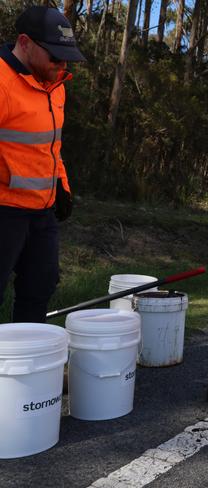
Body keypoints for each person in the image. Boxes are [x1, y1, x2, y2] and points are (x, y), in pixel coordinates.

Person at [0, 6, 86, 323]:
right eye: (54, 56)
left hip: (42, 210)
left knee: (40, 287)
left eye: (66, 57)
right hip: (5, 209)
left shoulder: (55, 85)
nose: (61, 65)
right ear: (24, 42)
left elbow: (50, 146)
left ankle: (29, 367)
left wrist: (61, 186)